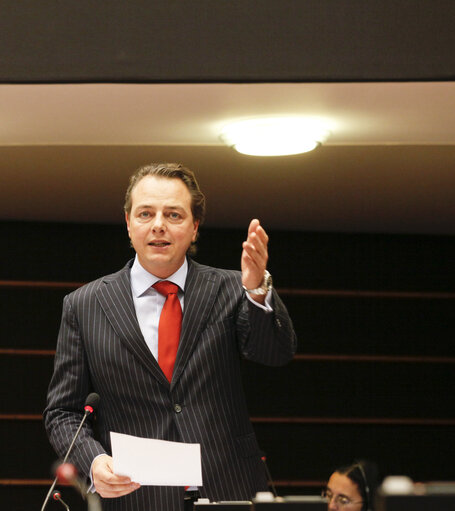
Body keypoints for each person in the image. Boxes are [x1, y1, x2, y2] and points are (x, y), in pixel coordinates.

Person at [43, 162, 297, 511]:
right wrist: (94, 462)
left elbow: (275, 352)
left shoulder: (231, 288)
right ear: (128, 224)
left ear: (194, 228)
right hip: (134, 496)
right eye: (146, 213)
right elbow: (63, 411)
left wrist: (255, 289)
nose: (158, 225)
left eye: (174, 215)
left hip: (226, 487)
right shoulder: (85, 305)